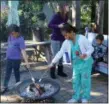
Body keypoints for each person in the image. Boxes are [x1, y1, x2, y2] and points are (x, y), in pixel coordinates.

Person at [49, 23, 94, 103]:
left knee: (85, 81)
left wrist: (86, 54)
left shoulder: (82, 38)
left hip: (85, 63)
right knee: (75, 81)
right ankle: (76, 97)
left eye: (66, 35)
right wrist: (53, 62)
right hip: (76, 65)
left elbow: (91, 48)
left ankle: (85, 97)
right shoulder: (66, 42)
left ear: (71, 32)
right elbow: (60, 52)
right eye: (64, 36)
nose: (65, 37)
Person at [1, 24, 30, 94]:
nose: (12, 35)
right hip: (9, 59)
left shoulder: (21, 39)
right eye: (11, 33)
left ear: (18, 32)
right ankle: (5, 87)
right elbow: (10, 46)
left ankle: (18, 86)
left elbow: (23, 51)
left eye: (13, 33)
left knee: (16, 73)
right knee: (7, 73)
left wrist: (27, 63)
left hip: (16, 60)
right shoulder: (10, 37)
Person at [48, 3, 69, 79]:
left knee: (61, 55)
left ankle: (60, 71)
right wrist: (58, 26)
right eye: (67, 6)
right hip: (55, 39)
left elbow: (65, 25)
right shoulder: (56, 16)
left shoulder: (66, 16)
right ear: (63, 7)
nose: (68, 7)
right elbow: (49, 25)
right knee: (55, 56)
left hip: (63, 38)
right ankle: (52, 72)